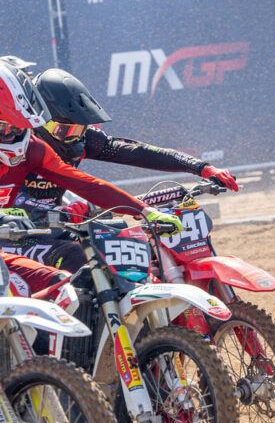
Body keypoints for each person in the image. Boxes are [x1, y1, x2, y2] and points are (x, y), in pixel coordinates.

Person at [0, 60, 182, 273]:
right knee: (73, 258)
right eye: (4, 128)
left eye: (16, 127)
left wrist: (146, 211)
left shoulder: (34, 148)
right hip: (14, 240)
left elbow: (87, 185)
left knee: (114, 247)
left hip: (23, 236)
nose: (11, 135)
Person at [21, 67, 238, 223]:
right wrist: (65, 211)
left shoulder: (84, 140)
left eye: (80, 130)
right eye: (65, 130)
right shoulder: (19, 146)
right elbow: (12, 201)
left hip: (61, 223)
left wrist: (202, 167)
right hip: (18, 234)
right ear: (39, 122)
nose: (74, 138)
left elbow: (139, 153)